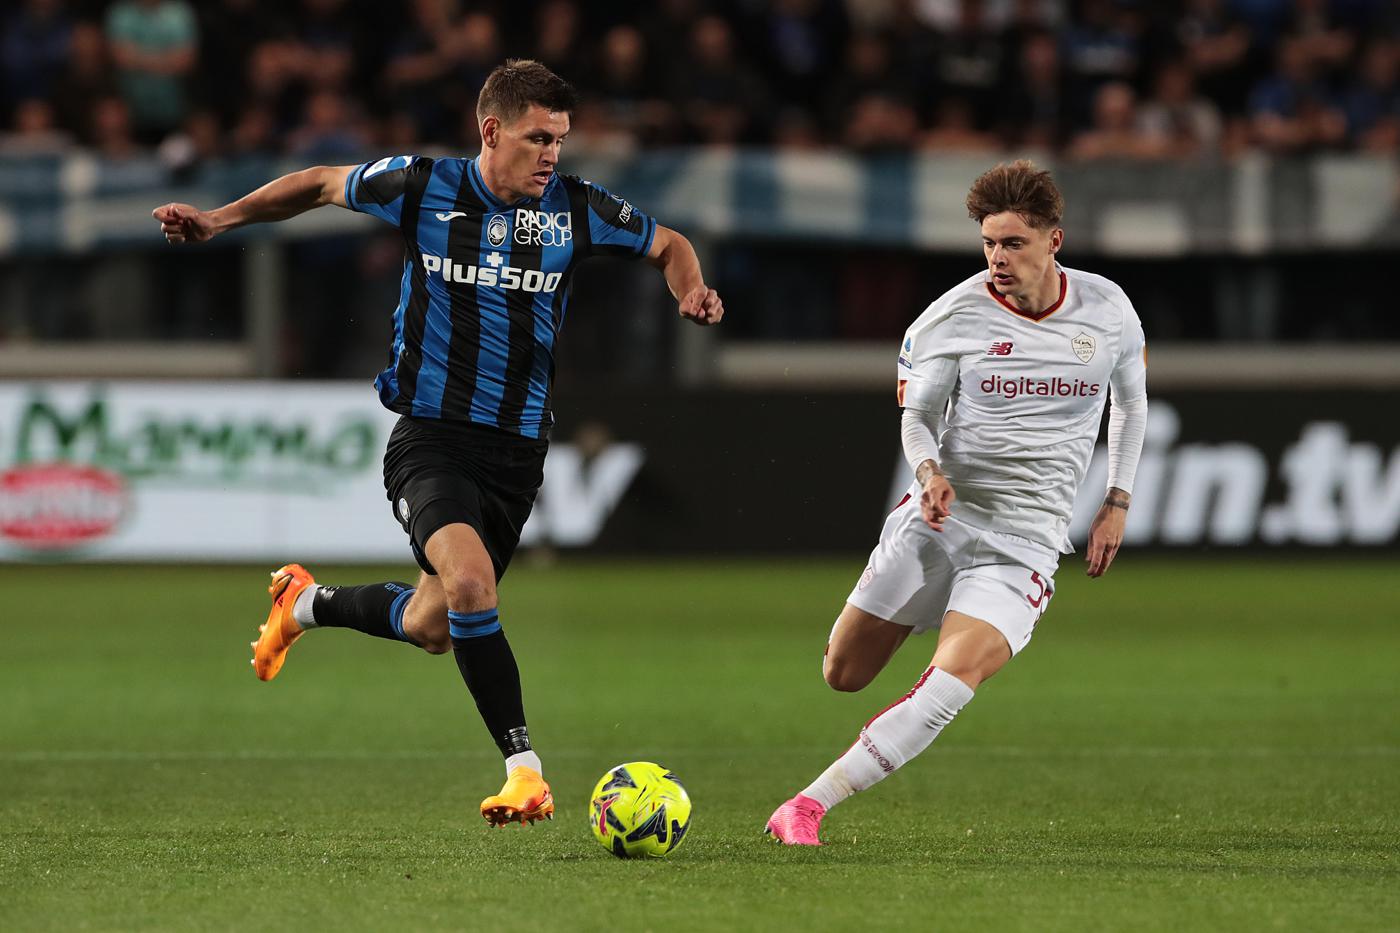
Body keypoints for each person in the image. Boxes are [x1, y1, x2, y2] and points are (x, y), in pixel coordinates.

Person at [152, 59, 723, 829]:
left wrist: (690, 288)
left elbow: (669, 243)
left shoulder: (575, 208)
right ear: (491, 131)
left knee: (432, 625)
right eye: (538, 138)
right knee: (471, 586)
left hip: (517, 455)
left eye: (559, 139)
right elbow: (319, 182)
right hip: (431, 438)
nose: (552, 154)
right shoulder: (422, 186)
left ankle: (303, 603)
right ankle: (525, 771)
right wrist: (219, 221)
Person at [764, 160, 1147, 845]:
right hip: (939, 520)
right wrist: (929, 469)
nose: (998, 258)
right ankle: (935, 600)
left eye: (1014, 243)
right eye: (989, 243)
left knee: (951, 681)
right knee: (843, 673)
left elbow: (1131, 404)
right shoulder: (951, 317)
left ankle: (807, 806)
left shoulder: (1108, 310)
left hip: (1024, 541)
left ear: (1054, 240)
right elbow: (917, 416)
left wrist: (1117, 498)